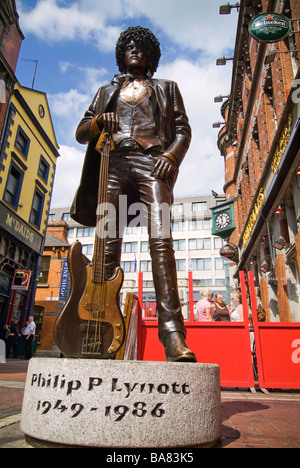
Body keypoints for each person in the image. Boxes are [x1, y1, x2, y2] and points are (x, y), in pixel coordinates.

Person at [71, 26, 196, 363]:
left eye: (141, 46)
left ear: (151, 55)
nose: (135, 50)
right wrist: (99, 122)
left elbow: (183, 130)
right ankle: (97, 331)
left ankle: (172, 333)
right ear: (120, 54)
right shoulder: (105, 91)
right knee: (105, 247)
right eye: (128, 45)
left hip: (151, 164)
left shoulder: (166, 88)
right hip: (113, 168)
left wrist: (171, 156)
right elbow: (82, 132)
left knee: (161, 242)